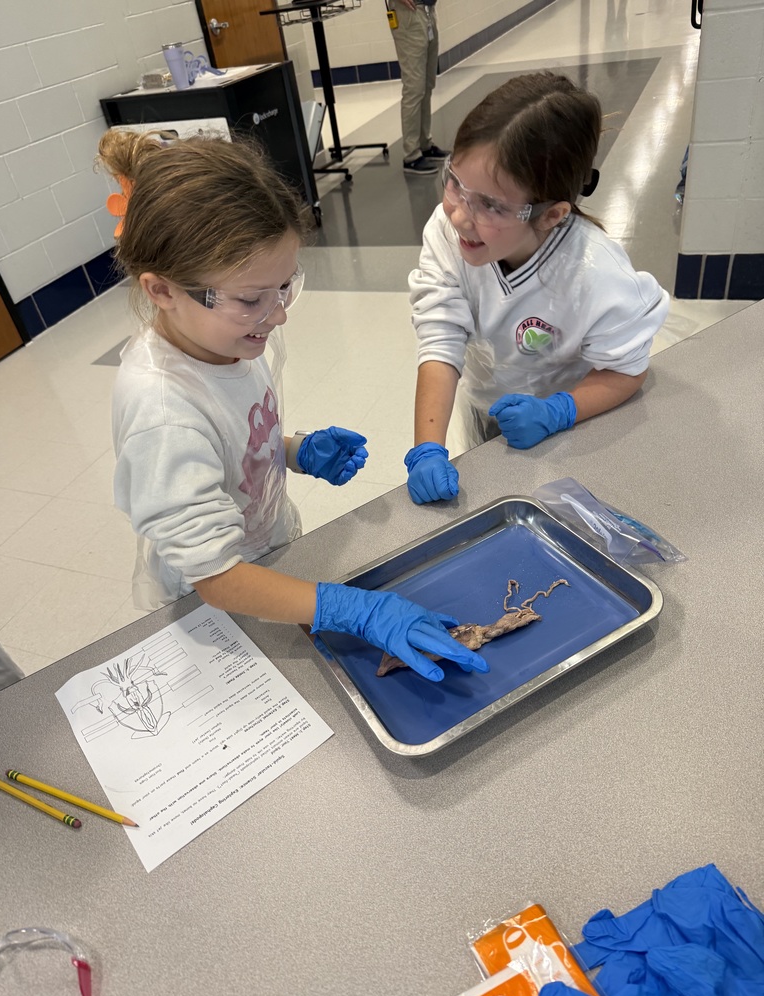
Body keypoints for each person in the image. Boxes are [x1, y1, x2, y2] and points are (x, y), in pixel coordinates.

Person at [97, 128, 488, 683]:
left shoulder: (229, 334)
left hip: (269, 543)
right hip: (215, 597)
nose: (278, 314)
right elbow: (218, 576)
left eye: (285, 286)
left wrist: (294, 451)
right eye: (253, 298)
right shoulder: (162, 413)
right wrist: (353, 608)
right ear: (161, 290)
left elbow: (232, 437)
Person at [403, 72, 671, 504]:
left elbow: (626, 369)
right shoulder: (448, 231)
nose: (459, 216)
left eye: (490, 204)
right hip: (487, 408)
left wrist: (559, 411)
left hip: (575, 422)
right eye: (455, 182)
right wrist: (427, 449)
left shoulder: (594, 275)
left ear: (550, 215)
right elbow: (440, 333)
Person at [386, 0, 449, 175]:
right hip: (409, 14)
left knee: (427, 84)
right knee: (414, 88)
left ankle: (424, 144)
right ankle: (411, 155)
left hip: (427, 10)